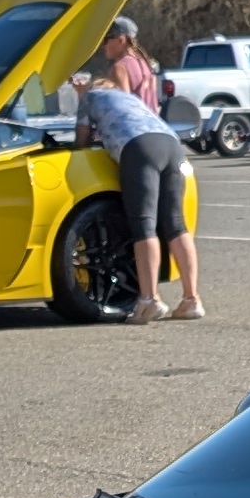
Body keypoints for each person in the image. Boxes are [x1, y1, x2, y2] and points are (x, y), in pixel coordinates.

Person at [76, 24, 201, 321]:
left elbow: (81, 140)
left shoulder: (91, 97)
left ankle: (149, 300)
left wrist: (82, 97)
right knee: (175, 224)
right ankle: (191, 299)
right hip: (169, 142)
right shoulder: (136, 84)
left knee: (143, 225)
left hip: (139, 148)